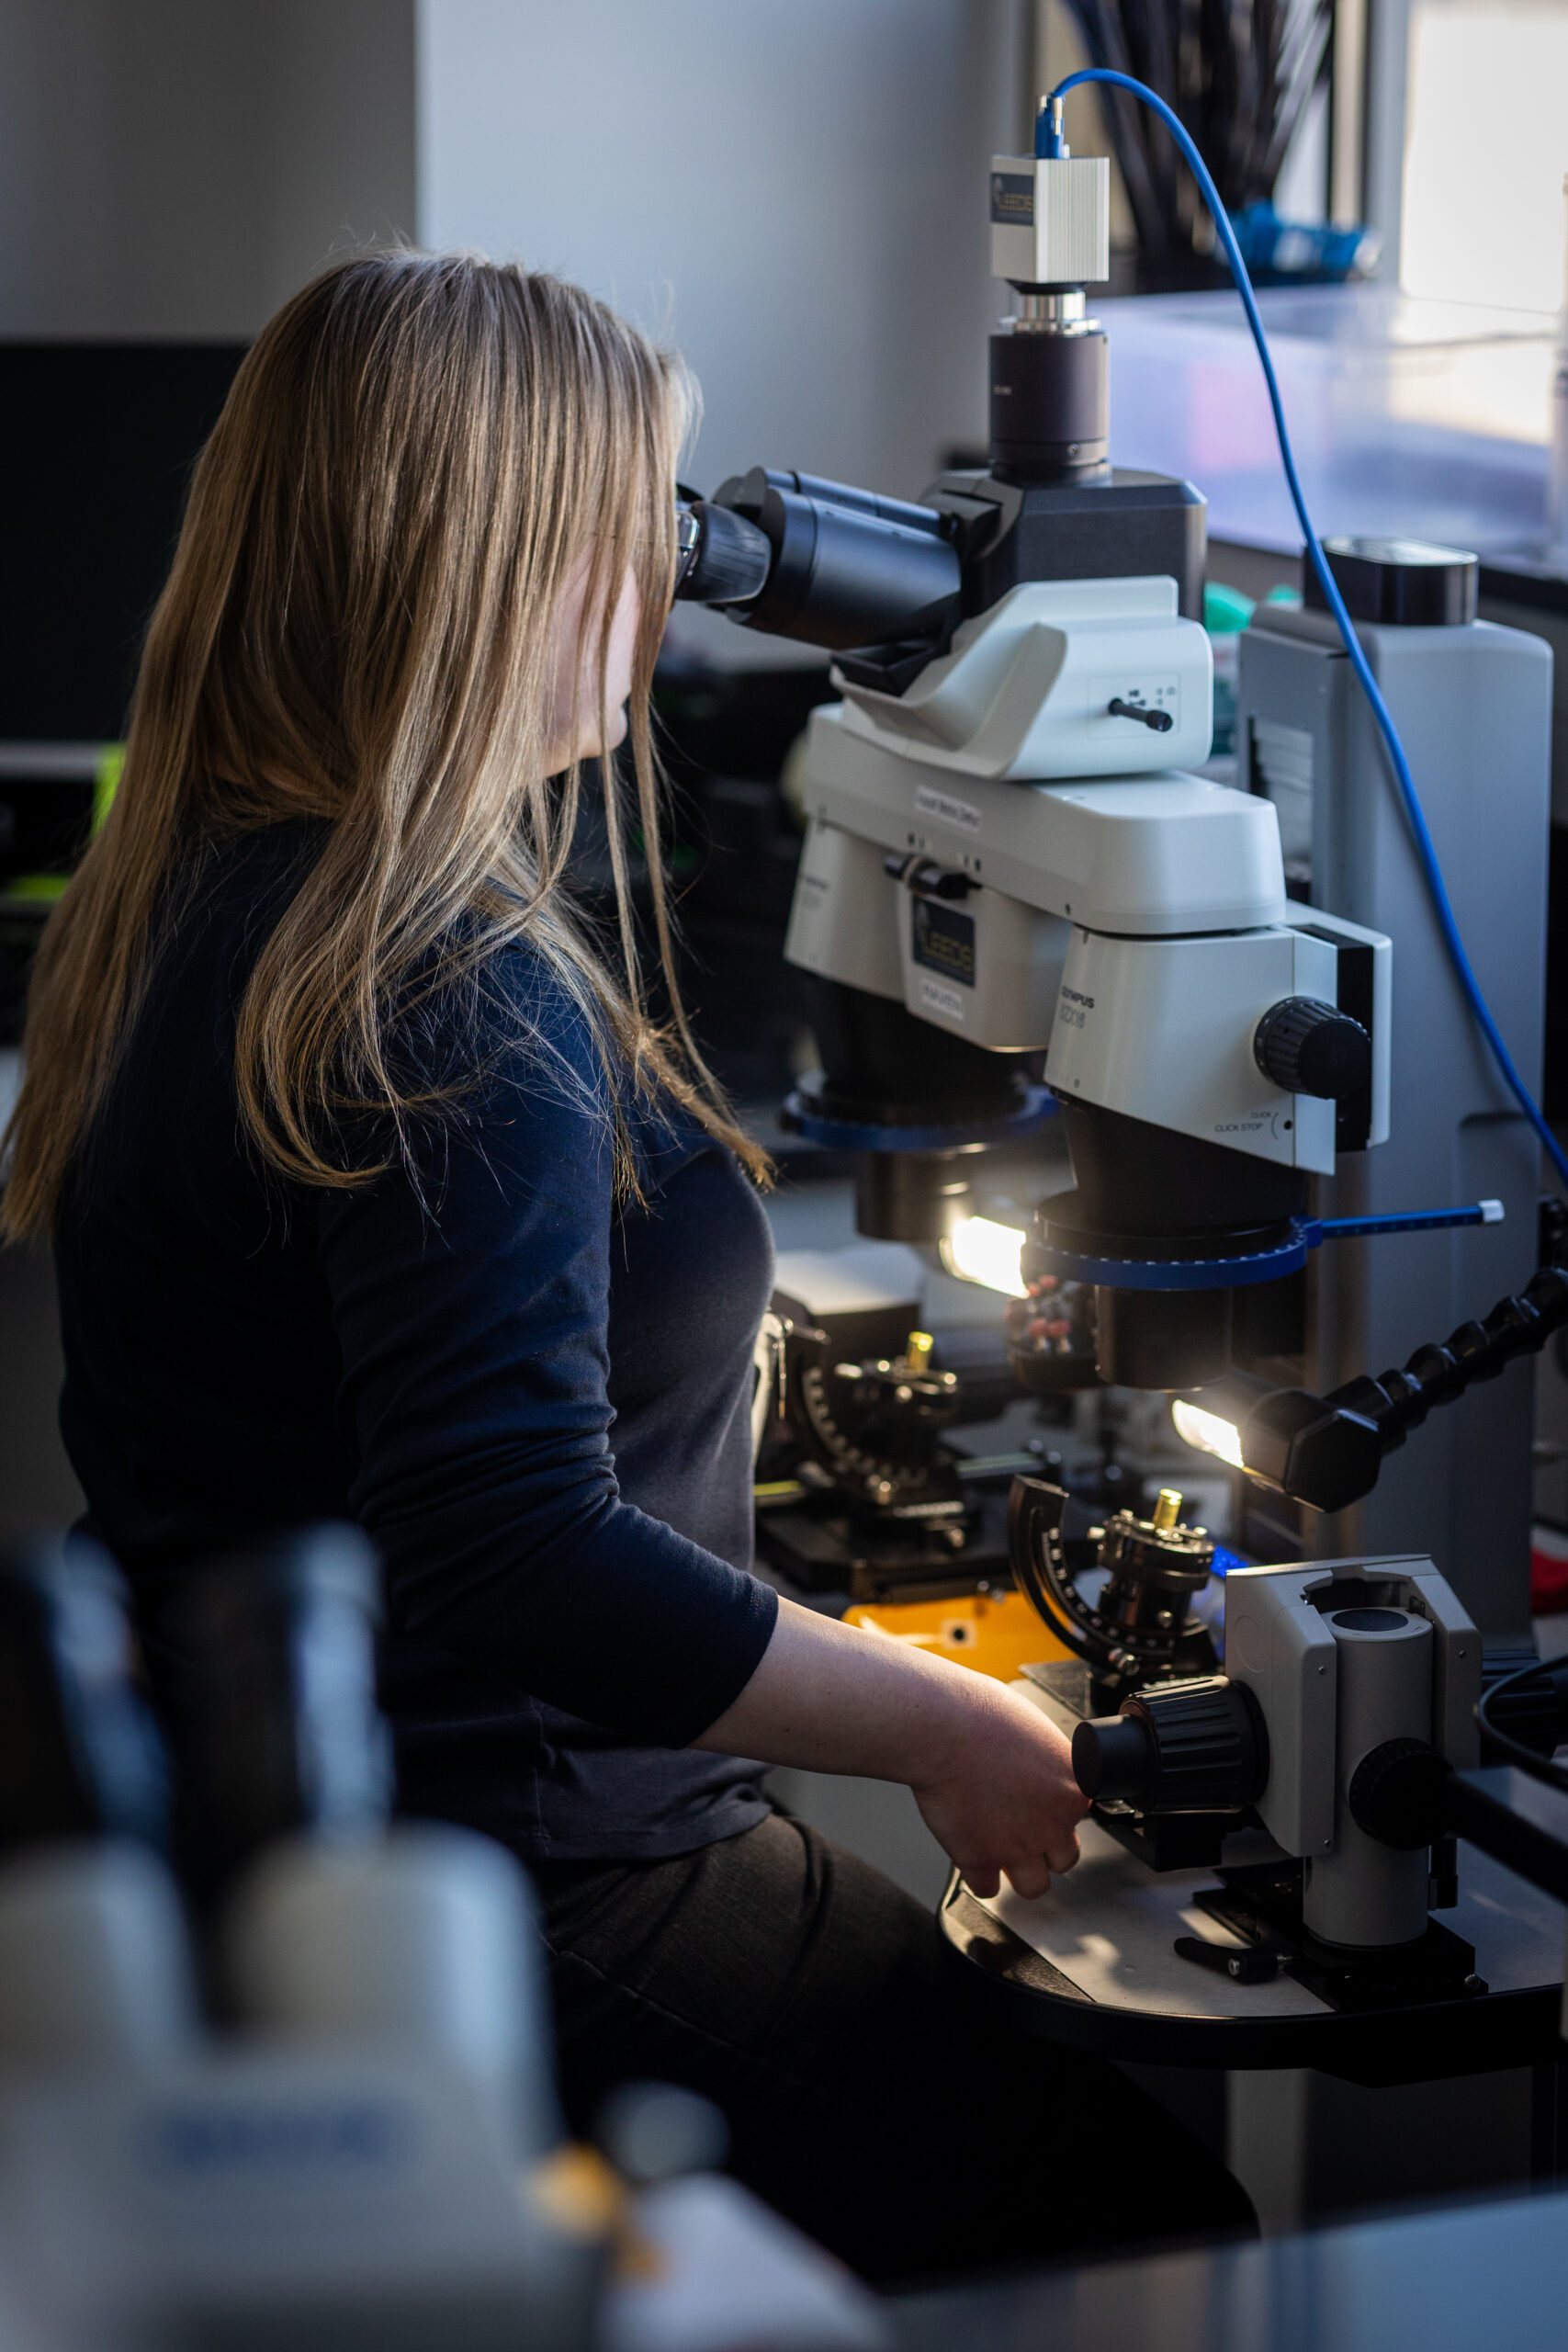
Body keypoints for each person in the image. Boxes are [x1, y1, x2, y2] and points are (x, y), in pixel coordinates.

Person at [1, 252, 1251, 2281]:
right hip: (544, 1872)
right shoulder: (444, 983)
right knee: (1152, 2232)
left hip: (305, 1846)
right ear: (488, 556)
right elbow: (518, 1546)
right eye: (634, 527)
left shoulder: (200, 890)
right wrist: (939, 1720)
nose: (668, 589)